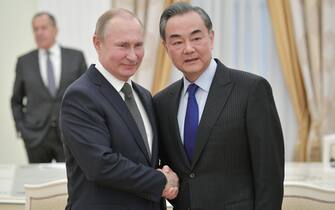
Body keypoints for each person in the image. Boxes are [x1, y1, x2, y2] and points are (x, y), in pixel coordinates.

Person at [153, 2, 285, 210]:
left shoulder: (251, 90)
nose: (188, 49)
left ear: (211, 38)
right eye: (177, 42)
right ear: (166, 47)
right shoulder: (161, 102)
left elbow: (270, 173)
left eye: (196, 38)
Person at [60, 9, 178, 210]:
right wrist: (161, 181)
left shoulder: (144, 96)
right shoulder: (80, 96)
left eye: (138, 45)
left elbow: (147, 158)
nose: (132, 56)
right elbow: (101, 165)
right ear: (98, 43)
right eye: (123, 46)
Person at [11, 12, 87, 163]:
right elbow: (16, 100)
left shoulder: (76, 57)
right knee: (39, 183)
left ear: (55, 30)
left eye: (43, 28)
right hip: (35, 138)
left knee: (69, 183)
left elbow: (86, 96)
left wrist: (84, 127)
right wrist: (22, 129)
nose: (39, 33)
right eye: (35, 29)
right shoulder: (24, 62)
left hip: (70, 134)